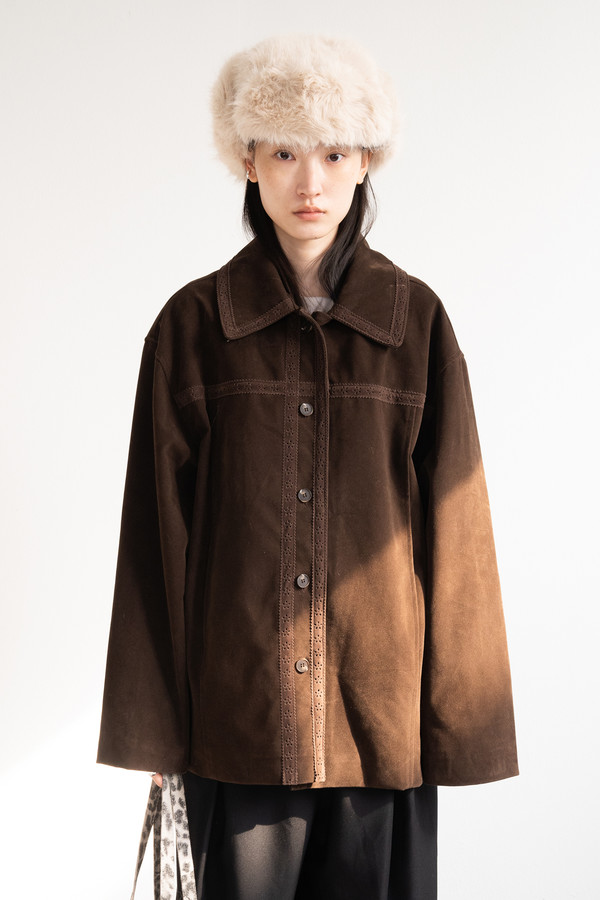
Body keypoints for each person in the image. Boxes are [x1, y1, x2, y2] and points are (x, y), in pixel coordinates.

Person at [97, 34, 518, 899]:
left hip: (380, 732)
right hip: (235, 727)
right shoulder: (191, 329)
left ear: (365, 161)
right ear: (248, 162)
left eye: (332, 152)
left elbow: (458, 534)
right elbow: (154, 543)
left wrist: (457, 730)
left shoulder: (416, 325)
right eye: (285, 153)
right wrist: (155, 731)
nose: (310, 181)